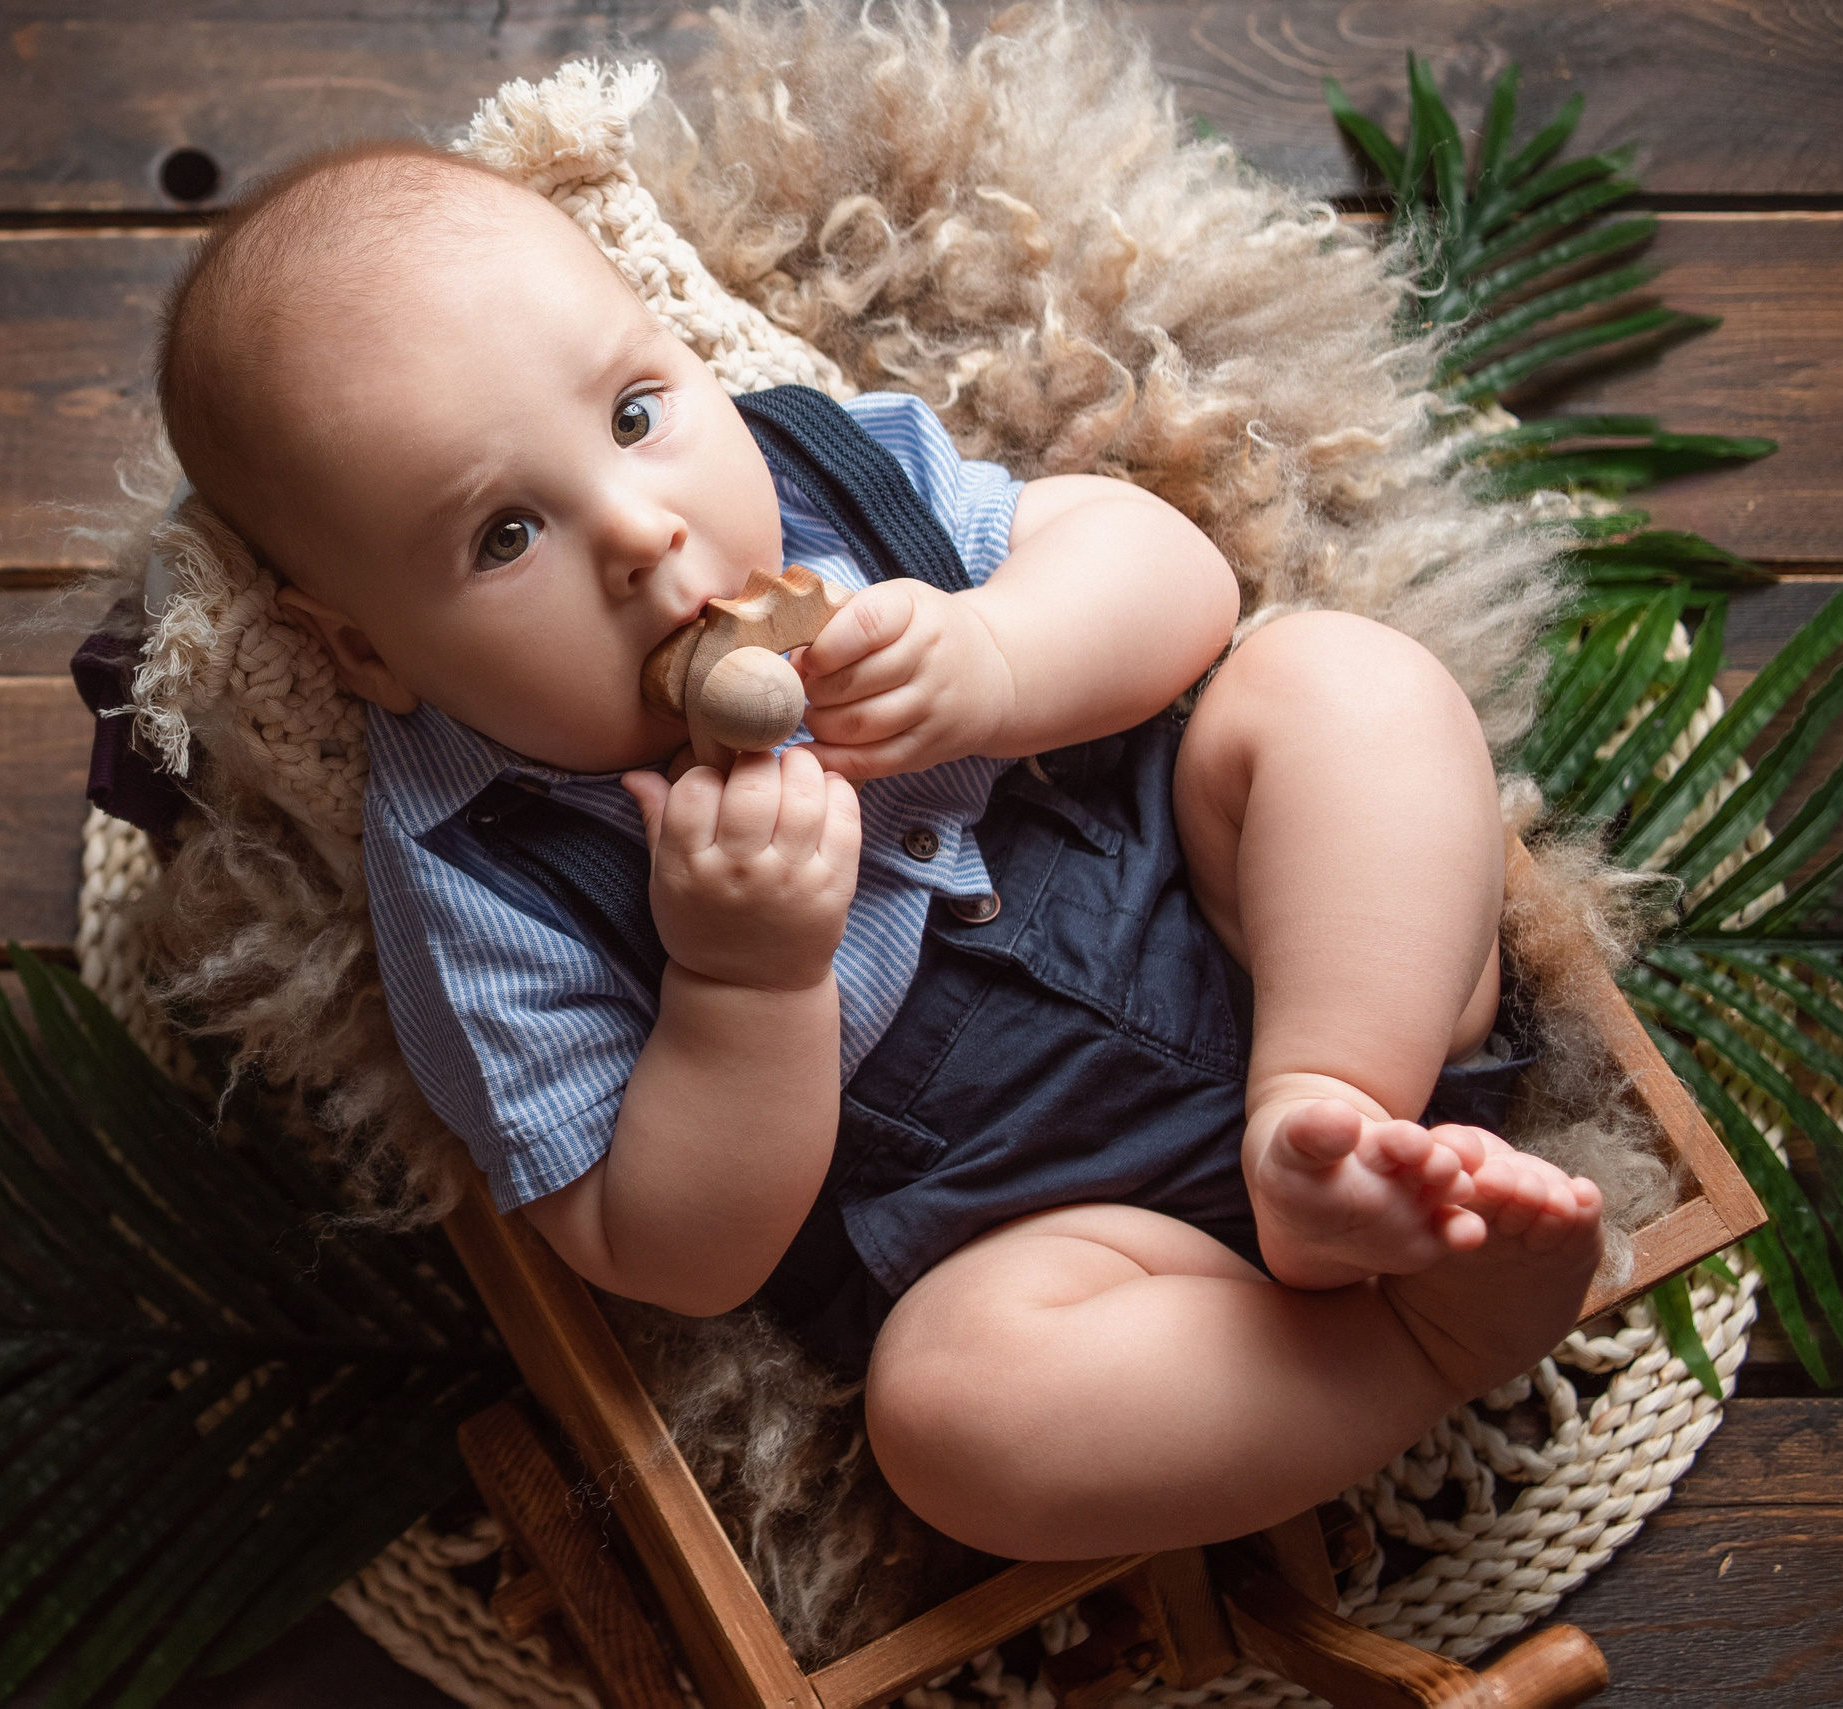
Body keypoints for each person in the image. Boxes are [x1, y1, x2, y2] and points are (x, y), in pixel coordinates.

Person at [153, 140, 1603, 1560]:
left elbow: (1175, 580)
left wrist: (998, 652)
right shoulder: (474, 872)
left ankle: (1326, 1114)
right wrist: (744, 981)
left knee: (1339, 681)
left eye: (638, 412)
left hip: (1233, 917)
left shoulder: (822, 480)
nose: (645, 535)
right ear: (364, 649)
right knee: (955, 1419)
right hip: (1035, 1231)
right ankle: (1413, 1341)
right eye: (506, 532)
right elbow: (656, 1250)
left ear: (680, 347)